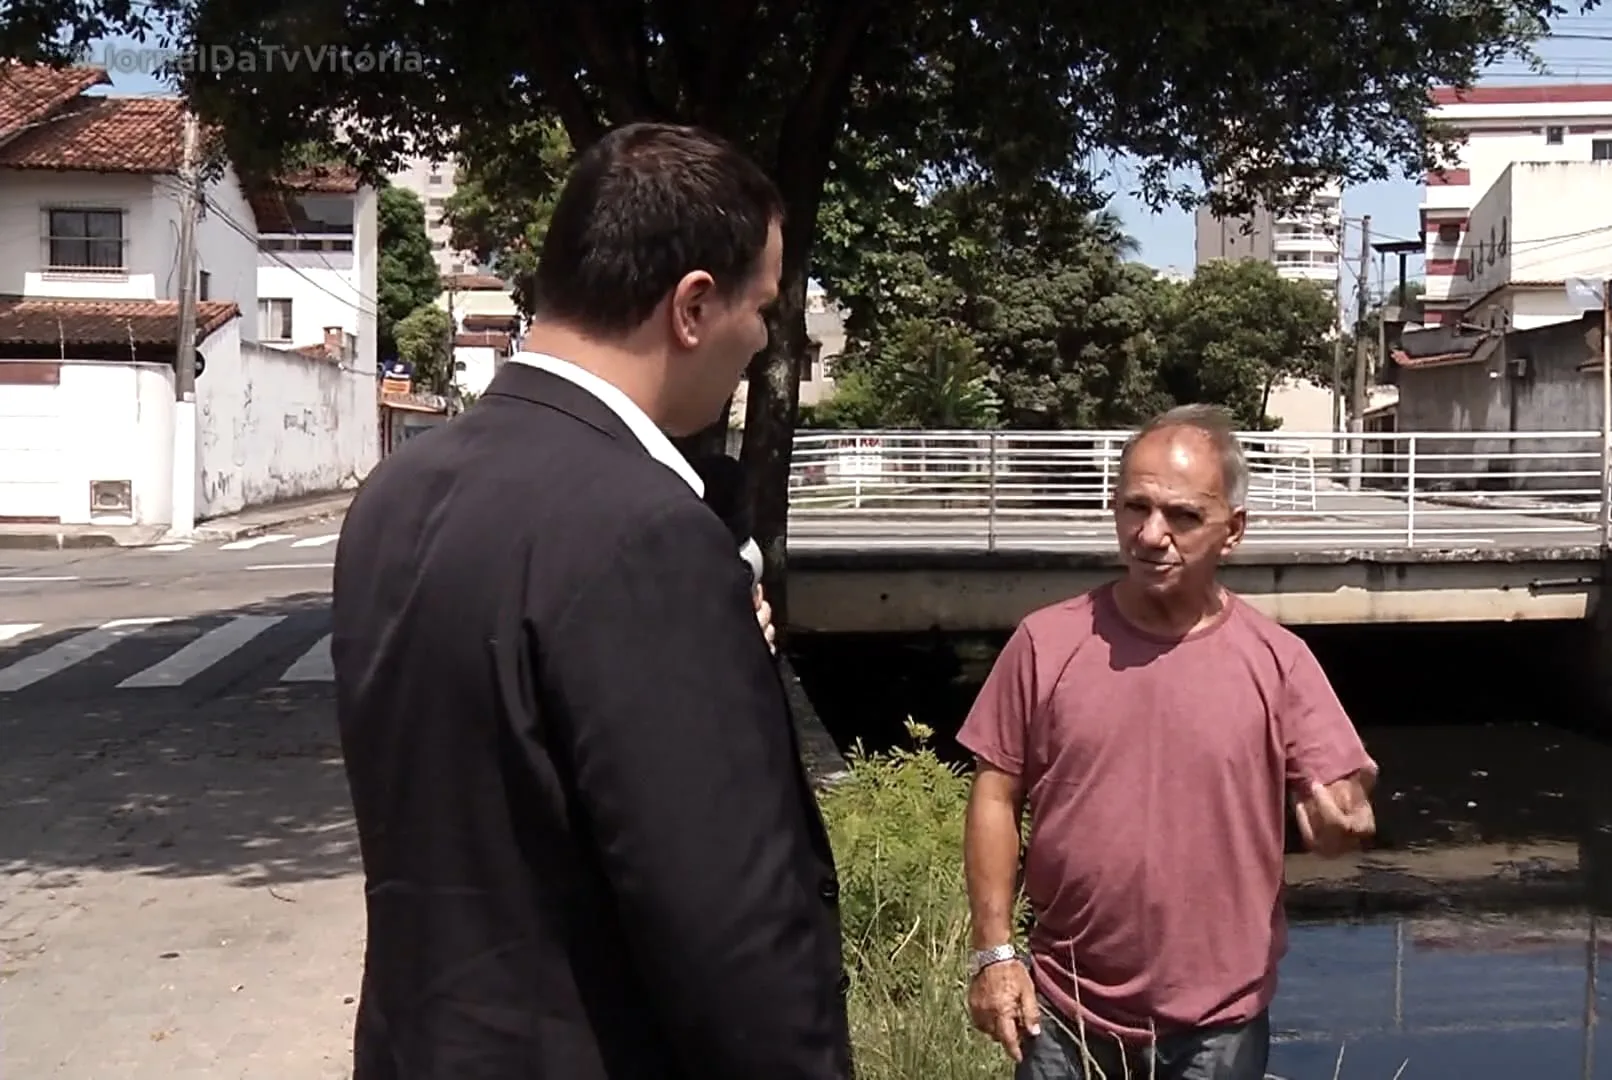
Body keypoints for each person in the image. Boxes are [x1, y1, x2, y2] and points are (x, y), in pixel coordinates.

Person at [330, 122, 850, 1079]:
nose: (764, 337)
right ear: (694, 306)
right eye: (764, 307)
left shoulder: (397, 493)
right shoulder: (645, 532)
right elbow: (730, 933)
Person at [956, 404, 1379, 1080]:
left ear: (1231, 532)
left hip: (1219, 1028)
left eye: (1182, 516)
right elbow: (995, 795)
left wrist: (1339, 825)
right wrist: (994, 953)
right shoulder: (1046, 643)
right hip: (1064, 1013)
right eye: (1135, 507)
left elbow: (1337, 811)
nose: (1152, 534)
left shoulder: (1278, 660)